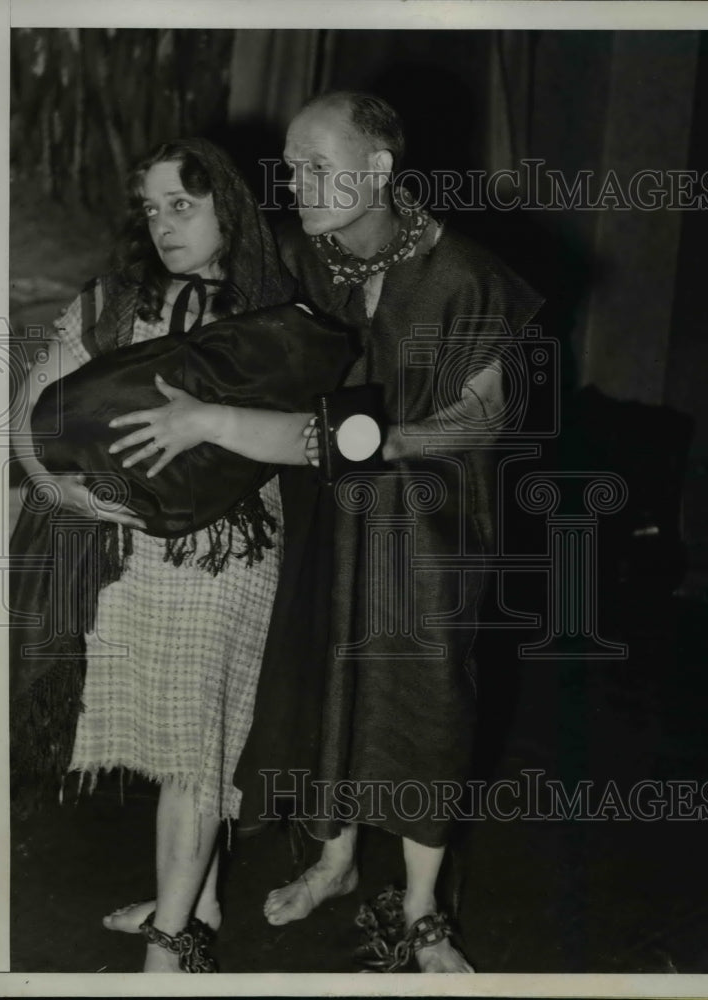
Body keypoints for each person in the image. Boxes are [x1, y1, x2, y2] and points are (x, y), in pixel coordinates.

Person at [236, 91, 546, 973]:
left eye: (318, 166)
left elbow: (486, 418)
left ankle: (420, 911)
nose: (297, 183)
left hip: (429, 530)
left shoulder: (468, 275)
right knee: (326, 685)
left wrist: (389, 443)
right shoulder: (305, 262)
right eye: (290, 167)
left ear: (378, 169)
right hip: (325, 527)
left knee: (425, 699)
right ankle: (333, 862)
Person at [10, 137, 318, 973]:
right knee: (187, 744)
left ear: (227, 204)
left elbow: (318, 444)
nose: (164, 224)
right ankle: (198, 901)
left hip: (230, 556)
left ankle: (170, 950)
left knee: (194, 749)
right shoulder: (114, 301)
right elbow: (25, 415)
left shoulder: (278, 314)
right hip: (132, 553)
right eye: (151, 208)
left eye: (181, 204)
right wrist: (60, 488)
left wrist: (210, 424)